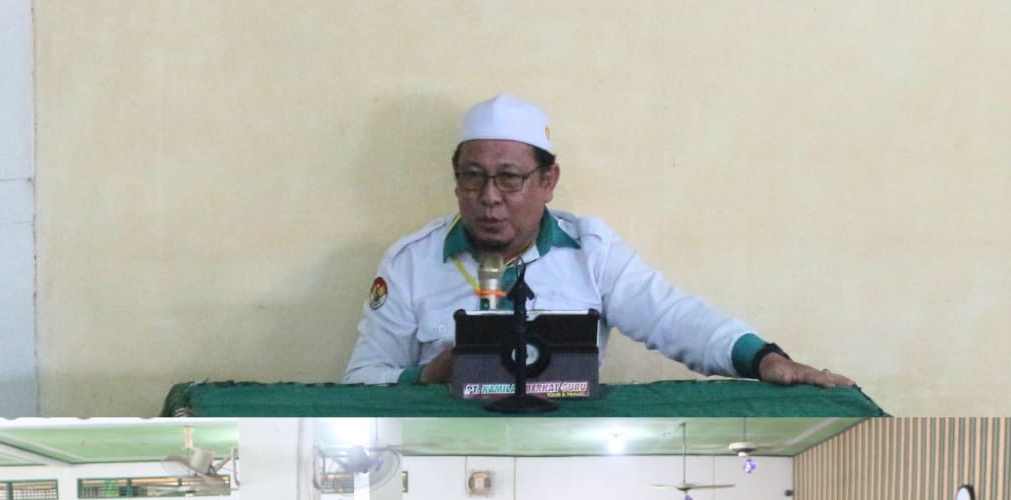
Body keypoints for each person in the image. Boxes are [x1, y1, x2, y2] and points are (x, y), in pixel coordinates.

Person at [343, 94, 853, 390]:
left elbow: (672, 317)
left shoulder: (590, 250)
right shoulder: (411, 262)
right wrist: (426, 377)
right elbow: (361, 378)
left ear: (548, 181)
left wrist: (762, 358)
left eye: (510, 178)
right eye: (472, 177)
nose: (489, 197)